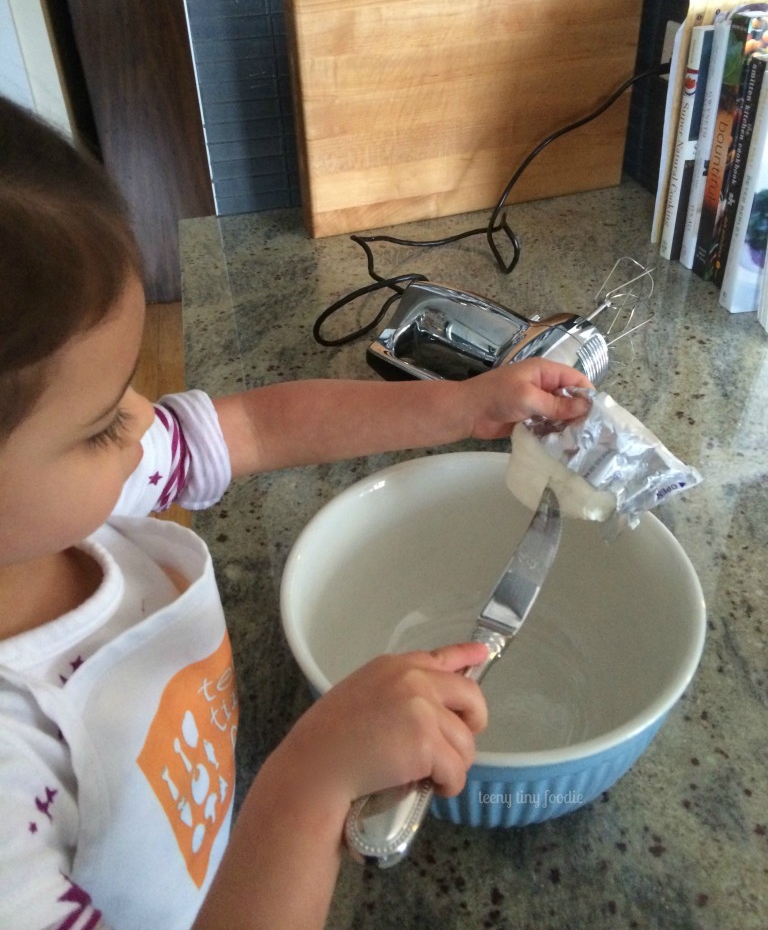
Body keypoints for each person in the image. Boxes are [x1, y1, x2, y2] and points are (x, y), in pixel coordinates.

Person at [0, 95, 591, 930]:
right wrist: (306, 788)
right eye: (99, 424)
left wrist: (463, 405)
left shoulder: (73, 507)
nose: (144, 424)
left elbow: (253, 426)